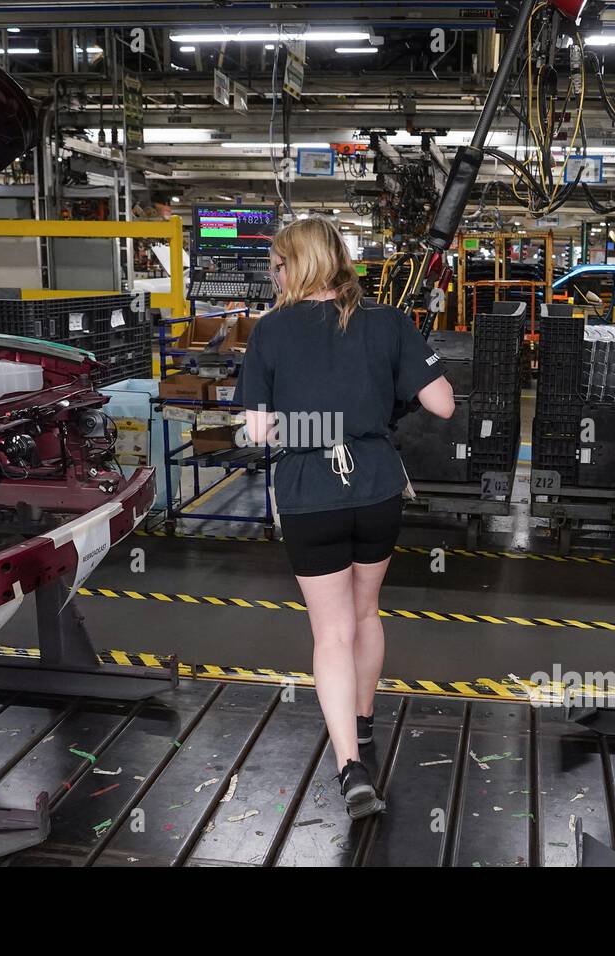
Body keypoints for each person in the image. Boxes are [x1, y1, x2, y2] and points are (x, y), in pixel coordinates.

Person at [235, 216, 455, 819]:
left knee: (330, 632)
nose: (273, 274)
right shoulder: (388, 320)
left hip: (310, 490)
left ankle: (350, 767)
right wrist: (380, 402)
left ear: (293, 265)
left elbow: (257, 431)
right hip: (377, 485)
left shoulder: (270, 332)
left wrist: (314, 419)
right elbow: (442, 403)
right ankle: (362, 716)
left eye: (276, 264)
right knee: (366, 611)